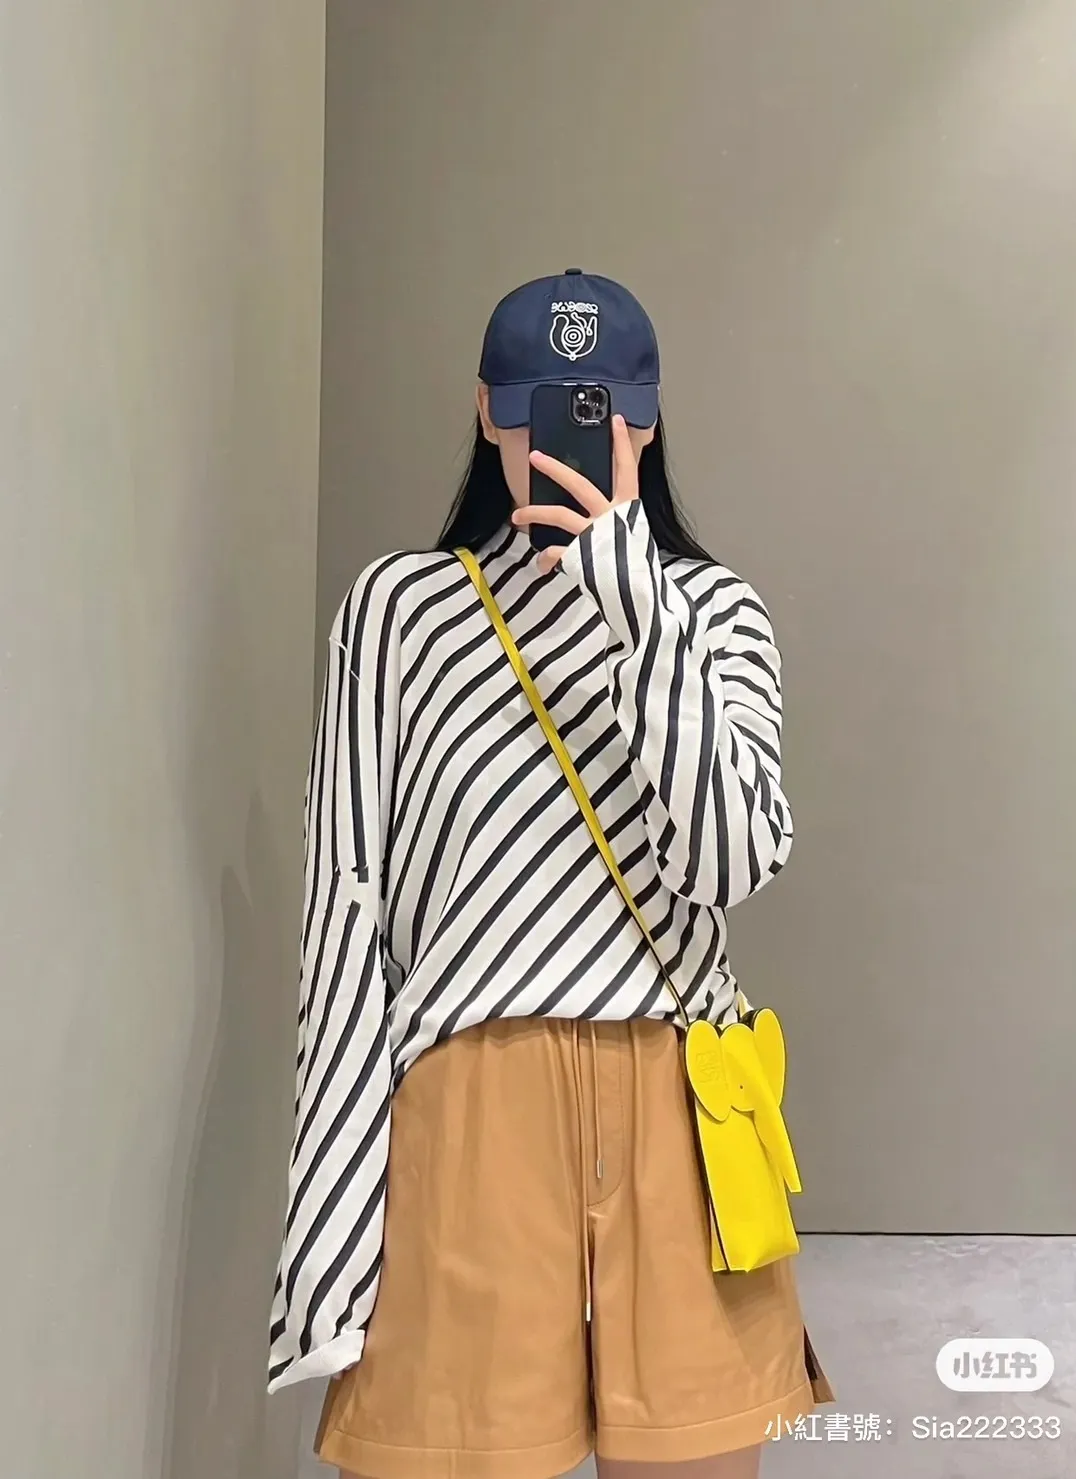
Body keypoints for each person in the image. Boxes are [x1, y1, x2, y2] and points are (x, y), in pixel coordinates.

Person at [268, 269, 833, 1479]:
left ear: (645, 420)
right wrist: (329, 1219)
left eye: (596, 413)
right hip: (472, 1105)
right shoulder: (399, 613)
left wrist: (633, 605)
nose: (560, 442)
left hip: (680, 1108)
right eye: (534, 411)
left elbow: (729, 861)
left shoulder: (713, 611)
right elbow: (345, 904)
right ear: (486, 410)